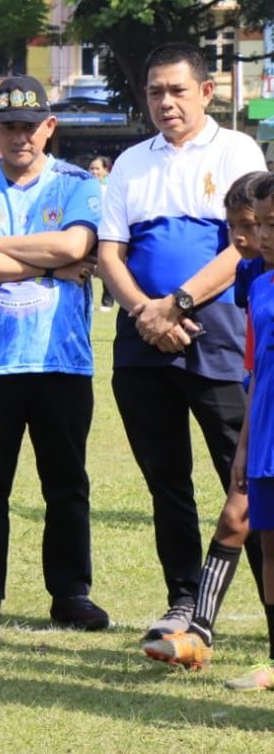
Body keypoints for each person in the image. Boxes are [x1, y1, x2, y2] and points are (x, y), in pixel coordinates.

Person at [95, 42, 269, 641]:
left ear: (205, 92)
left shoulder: (237, 151)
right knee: (166, 480)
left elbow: (241, 246)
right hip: (142, 346)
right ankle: (183, 604)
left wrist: (179, 303)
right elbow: (109, 253)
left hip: (217, 338)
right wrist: (147, 313)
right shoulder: (130, 164)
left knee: (244, 481)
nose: (165, 103)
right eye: (154, 92)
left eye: (176, 90)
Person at [0, 75, 110, 632]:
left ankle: (71, 595)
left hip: (62, 359)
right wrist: (47, 264)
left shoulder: (78, 184)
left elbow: (76, 246)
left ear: (49, 127)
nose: (20, 136)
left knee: (67, 483)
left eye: (30, 126)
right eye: (8, 126)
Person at [145, 171, 272, 672]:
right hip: (262, 408)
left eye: (256, 225)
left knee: (238, 517)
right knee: (235, 516)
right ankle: (199, 631)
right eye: (238, 226)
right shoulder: (250, 275)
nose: (246, 237)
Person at [223, 182, 274, 690]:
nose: (259, 235)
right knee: (270, 545)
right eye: (256, 224)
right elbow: (257, 368)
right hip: (265, 433)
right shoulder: (256, 282)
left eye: (269, 225)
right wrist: (243, 447)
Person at [86, 155, 116, 310]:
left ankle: (107, 301)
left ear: (106, 170)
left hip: (106, 232)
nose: (94, 171)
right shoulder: (83, 186)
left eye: (97, 168)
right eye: (91, 168)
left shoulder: (111, 186)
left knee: (107, 265)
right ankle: (87, 300)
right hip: (88, 232)